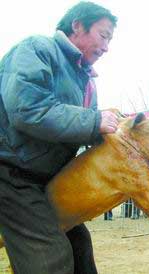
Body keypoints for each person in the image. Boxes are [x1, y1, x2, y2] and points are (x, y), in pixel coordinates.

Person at [0, 2, 118, 273]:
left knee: (79, 247)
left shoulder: (86, 79)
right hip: (10, 173)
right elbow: (28, 109)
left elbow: (83, 130)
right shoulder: (36, 49)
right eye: (103, 35)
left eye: (110, 39)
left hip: (47, 179)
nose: (106, 47)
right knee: (50, 257)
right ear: (77, 25)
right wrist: (95, 120)